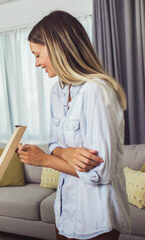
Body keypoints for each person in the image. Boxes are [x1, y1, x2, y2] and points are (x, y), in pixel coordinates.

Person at [17, 11, 131, 240]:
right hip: (65, 214)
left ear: (57, 47)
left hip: (97, 220)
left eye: (38, 54)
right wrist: (66, 152)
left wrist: (45, 160)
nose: (36, 63)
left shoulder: (97, 92)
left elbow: (101, 171)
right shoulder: (57, 92)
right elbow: (53, 142)